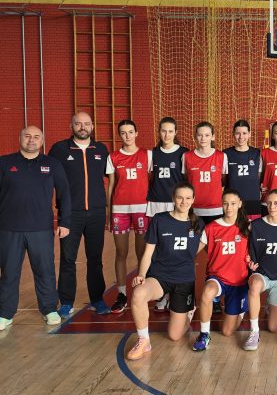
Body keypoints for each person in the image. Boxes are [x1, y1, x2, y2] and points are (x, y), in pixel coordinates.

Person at [0, 126, 71, 330]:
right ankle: (5, 313)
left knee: (45, 270)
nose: (31, 140)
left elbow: (64, 194)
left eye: (36, 137)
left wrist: (65, 222)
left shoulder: (52, 164)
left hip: (41, 228)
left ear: (42, 141)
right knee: (9, 273)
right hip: (9, 229)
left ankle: (49, 309)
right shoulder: (4, 163)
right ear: (20, 138)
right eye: (28, 136)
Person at [126, 182, 204, 360]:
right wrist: (141, 275)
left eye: (188, 198)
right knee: (138, 294)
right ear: (173, 199)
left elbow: (202, 245)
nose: (184, 201)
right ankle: (144, 340)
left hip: (184, 280)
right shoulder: (160, 220)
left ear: (193, 200)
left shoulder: (198, 223)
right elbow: (148, 253)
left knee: (175, 335)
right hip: (159, 276)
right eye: (180, 197)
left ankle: (188, 311)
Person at [49, 112, 111, 317]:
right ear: (71, 126)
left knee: (95, 259)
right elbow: (48, 179)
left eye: (86, 124)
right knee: (68, 259)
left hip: (96, 213)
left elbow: (112, 178)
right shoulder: (59, 150)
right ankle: (66, 302)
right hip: (70, 215)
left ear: (92, 126)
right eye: (78, 124)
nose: (82, 127)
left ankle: (97, 300)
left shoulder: (101, 149)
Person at [192, 189, 250, 351]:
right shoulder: (211, 228)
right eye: (225, 204)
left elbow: (257, 250)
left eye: (233, 203)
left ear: (240, 204)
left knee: (227, 331)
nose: (229, 207)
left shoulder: (247, 227)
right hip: (217, 278)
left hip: (239, 282)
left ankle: (241, 310)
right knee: (207, 292)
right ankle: (204, 334)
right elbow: (193, 251)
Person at [106, 120, 152, 314]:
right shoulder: (113, 157)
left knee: (142, 253)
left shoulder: (147, 155)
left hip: (142, 208)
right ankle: (122, 294)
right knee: (121, 252)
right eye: (123, 133)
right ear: (119, 135)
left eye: (131, 132)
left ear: (136, 133)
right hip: (120, 209)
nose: (127, 136)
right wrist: (109, 213)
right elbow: (111, 185)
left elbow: (151, 181)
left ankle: (141, 291)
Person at [243, 189, 277, 351]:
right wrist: (247, 259)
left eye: (276, 203)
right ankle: (254, 332)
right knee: (254, 286)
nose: (272, 206)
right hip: (261, 273)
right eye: (269, 203)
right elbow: (242, 245)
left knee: (273, 327)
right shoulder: (255, 225)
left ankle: (270, 308)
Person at [182, 122, 227, 224]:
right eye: (200, 135)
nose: (203, 138)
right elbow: (186, 180)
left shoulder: (221, 156)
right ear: (195, 136)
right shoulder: (186, 156)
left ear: (213, 137)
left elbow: (224, 179)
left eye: (207, 135)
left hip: (216, 209)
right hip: (193, 208)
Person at [147, 117, 188, 218]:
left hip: (176, 201)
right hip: (156, 202)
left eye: (170, 131)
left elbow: (188, 179)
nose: (167, 135)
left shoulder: (184, 153)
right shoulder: (153, 153)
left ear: (175, 132)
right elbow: (149, 177)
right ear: (159, 132)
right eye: (163, 131)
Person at [224, 119, 262, 220]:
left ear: (249, 134)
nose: (241, 137)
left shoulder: (257, 153)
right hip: (232, 202)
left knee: (253, 229)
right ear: (233, 134)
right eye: (238, 133)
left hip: (253, 201)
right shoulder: (226, 154)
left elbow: (259, 176)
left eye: (244, 133)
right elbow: (222, 179)